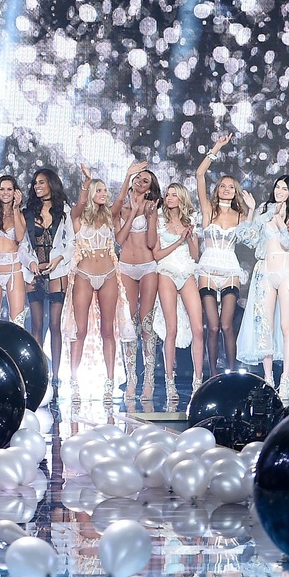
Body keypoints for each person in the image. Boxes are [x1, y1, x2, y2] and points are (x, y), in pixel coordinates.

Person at [236, 175, 289, 398]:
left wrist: (280, 221)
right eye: (277, 187)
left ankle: (285, 378)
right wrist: (252, 211)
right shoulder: (264, 210)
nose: (279, 191)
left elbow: (288, 242)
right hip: (265, 271)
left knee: (287, 325)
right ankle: (268, 379)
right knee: (265, 326)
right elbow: (247, 237)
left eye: (284, 188)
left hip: (286, 271)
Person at [195, 135, 249, 374]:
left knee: (227, 326)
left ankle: (231, 374)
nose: (226, 189)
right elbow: (199, 174)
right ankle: (213, 376)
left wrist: (252, 210)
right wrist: (217, 147)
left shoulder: (241, 216)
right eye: (223, 186)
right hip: (207, 269)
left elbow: (250, 236)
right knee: (213, 326)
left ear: (236, 192)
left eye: (231, 187)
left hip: (230, 271)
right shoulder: (209, 210)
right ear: (217, 189)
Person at [68, 168, 121, 408]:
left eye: (105, 190)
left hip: (108, 275)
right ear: (90, 193)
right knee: (80, 331)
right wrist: (86, 181)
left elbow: (121, 200)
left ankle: (109, 383)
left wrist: (128, 177)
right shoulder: (78, 216)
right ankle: (74, 382)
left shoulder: (109, 216)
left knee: (108, 331)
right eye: (98, 190)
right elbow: (80, 204)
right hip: (84, 275)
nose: (104, 193)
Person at [114, 165, 161, 407]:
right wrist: (132, 212)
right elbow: (119, 240)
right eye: (138, 178)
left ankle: (149, 378)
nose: (140, 182)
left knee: (146, 323)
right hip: (125, 267)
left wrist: (150, 218)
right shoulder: (121, 208)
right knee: (129, 324)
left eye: (145, 181)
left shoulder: (152, 208)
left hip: (147, 266)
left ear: (150, 189)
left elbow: (152, 243)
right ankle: (131, 378)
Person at [152, 183, 202, 408]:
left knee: (198, 328)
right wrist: (179, 241)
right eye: (168, 194)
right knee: (171, 329)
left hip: (186, 271)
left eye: (174, 195)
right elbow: (156, 254)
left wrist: (188, 237)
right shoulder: (159, 221)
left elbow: (195, 255)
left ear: (182, 198)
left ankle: (198, 382)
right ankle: (169, 382)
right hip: (167, 271)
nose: (170, 198)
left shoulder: (191, 221)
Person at [22, 167, 71, 396]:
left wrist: (58, 259)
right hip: (34, 272)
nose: (37, 186)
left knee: (55, 325)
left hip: (57, 271)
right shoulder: (28, 212)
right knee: (36, 325)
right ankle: (37, 374)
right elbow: (22, 244)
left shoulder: (64, 211)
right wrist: (32, 262)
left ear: (51, 183)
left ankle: (56, 376)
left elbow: (72, 243)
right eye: (35, 183)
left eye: (41, 182)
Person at [0, 175, 27, 324]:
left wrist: (15, 209)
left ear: (15, 192)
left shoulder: (21, 214)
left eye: (9, 189)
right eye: (2, 189)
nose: (6, 192)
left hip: (14, 271)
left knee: (17, 322)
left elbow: (19, 237)